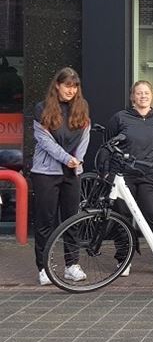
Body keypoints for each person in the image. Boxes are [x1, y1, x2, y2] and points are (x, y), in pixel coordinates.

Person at [106, 80, 153, 277]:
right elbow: (108, 144)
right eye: (139, 93)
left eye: (146, 93)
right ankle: (123, 260)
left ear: (152, 95)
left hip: (150, 176)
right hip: (124, 176)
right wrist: (110, 173)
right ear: (132, 97)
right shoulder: (120, 118)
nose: (143, 96)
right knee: (123, 219)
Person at [31, 67, 91, 286]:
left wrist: (78, 160)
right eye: (67, 86)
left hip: (72, 172)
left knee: (71, 219)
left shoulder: (82, 106)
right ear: (57, 85)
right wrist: (67, 158)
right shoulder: (42, 108)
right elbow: (44, 141)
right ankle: (44, 267)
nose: (71, 90)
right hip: (46, 173)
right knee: (45, 221)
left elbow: (85, 135)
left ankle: (71, 265)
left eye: (75, 86)